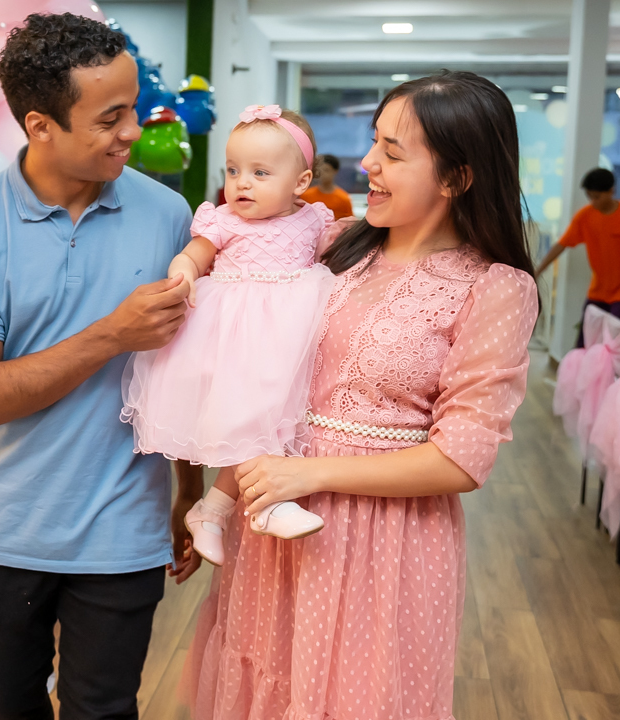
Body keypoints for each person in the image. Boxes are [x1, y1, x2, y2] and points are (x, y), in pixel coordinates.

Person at [184, 71, 539, 719]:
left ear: (457, 177)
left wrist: (309, 474)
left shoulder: (494, 288)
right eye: (375, 142)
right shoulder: (330, 245)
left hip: (384, 543)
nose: (368, 162)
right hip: (275, 523)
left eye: (393, 153)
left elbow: (462, 459)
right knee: (266, 687)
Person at [0, 13, 204, 719]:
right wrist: (111, 334)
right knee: (8, 705)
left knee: (104, 709)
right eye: (110, 118)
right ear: (40, 125)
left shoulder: (170, 216)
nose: (133, 131)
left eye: (133, 108)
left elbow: (185, 373)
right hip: (5, 531)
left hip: (125, 528)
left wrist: (189, 491)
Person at [122, 105, 336, 567]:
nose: (242, 183)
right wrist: (184, 273)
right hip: (233, 338)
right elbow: (193, 256)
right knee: (252, 421)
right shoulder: (222, 220)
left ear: (300, 182)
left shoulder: (314, 220)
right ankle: (264, 504)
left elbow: (339, 257)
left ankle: (214, 510)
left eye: (260, 173)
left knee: (273, 423)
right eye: (233, 170)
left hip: (287, 339)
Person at [534, 167, 620, 346]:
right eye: (589, 196)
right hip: (597, 291)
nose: (593, 201)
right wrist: (537, 270)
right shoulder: (585, 216)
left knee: (615, 344)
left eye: (597, 197)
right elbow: (562, 244)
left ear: (611, 191)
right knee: (584, 343)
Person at [300, 153, 354, 220]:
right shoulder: (306, 196)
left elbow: (350, 222)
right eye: (320, 171)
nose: (323, 174)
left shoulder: (343, 199)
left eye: (326, 170)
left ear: (335, 171)